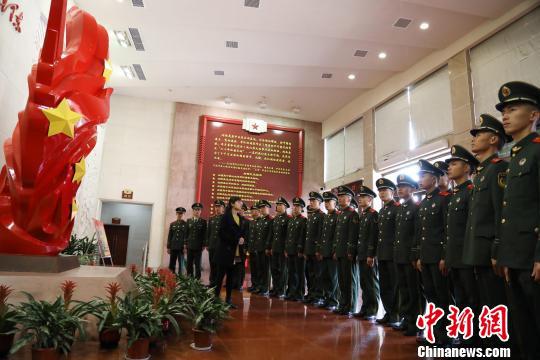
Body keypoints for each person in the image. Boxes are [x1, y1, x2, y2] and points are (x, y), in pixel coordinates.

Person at [495, 81, 540, 360]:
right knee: (523, 329)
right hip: (515, 257)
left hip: (533, 258)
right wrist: (505, 256)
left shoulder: (536, 151)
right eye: (503, 111)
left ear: (534, 114)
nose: (505, 116)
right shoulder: (516, 156)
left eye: (513, 109)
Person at [463, 113, 510, 348]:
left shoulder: (498, 169)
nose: (474, 138)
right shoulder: (481, 174)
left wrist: (497, 249)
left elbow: (501, 214)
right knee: (484, 303)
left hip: (490, 251)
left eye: (479, 134)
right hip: (477, 251)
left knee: (497, 305)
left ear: (493, 139)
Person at [444, 145, 480, 346]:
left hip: (467, 258)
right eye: (449, 164)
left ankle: (474, 342)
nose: (449, 167)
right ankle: (466, 339)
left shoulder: (470, 192)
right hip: (455, 258)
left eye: (454, 163)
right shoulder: (454, 195)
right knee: (461, 301)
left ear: (467, 168)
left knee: (473, 301)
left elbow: (471, 228)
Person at [415, 159, 451, 345]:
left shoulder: (444, 199)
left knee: (443, 296)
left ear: (435, 178)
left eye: (424, 176)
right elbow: (422, 233)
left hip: (438, 258)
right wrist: (420, 256)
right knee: (431, 296)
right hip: (427, 257)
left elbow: (447, 230)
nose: (420, 179)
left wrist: (444, 256)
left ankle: (447, 334)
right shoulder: (424, 203)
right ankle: (435, 333)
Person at [393, 175, 422, 336]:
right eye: (399, 187)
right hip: (399, 255)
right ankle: (406, 319)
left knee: (414, 291)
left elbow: (417, 233)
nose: (400, 189)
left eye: (404, 186)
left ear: (412, 189)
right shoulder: (402, 208)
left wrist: (414, 255)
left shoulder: (416, 207)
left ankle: (416, 322)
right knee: (403, 289)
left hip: (410, 257)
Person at [374, 178, 400, 327]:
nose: (382, 193)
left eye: (385, 190)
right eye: (380, 191)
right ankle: (388, 312)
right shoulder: (382, 211)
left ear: (392, 192)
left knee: (395, 286)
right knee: (385, 286)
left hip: (392, 254)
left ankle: (396, 314)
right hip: (382, 253)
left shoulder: (397, 209)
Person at [214, 196, 246, 308]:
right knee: (220, 277)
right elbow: (222, 234)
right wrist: (236, 239)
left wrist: (242, 238)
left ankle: (228, 300)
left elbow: (242, 233)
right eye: (238, 202)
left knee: (231, 277)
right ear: (232, 204)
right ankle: (215, 299)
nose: (241, 203)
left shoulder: (240, 218)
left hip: (236, 253)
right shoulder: (226, 217)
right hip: (225, 251)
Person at [354, 185, 380, 321]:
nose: (360, 199)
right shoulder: (363, 215)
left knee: (371, 283)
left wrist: (371, 255)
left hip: (369, 255)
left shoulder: (373, 214)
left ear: (370, 199)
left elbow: (373, 236)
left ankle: (373, 309)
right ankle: (365, 308)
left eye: (363, 197)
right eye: (360, 197)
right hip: (362, 253)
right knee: (364, 283)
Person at [333, 186, 360, 317]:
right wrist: (335, 250)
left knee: (350, 281)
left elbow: (353, 235)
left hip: (348, 253)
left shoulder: (353, 214)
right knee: (342, 280)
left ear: (349, 199)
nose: (340, 199)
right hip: (340, 252)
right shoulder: (341, 214)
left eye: (343, 197)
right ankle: (342, 304)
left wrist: (351, 251)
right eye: (339, 197)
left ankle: (351, 306)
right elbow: (337, 235)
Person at [316, 191, 340, 310]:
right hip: (324, 252)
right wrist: (319, 250)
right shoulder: (326, 217)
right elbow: (322, 236)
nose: (326, 204)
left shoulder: (338, 216)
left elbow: (337, 236)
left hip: (332, 253)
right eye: (325, 202)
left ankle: (334, 301)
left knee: (333, 278)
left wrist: (335, 250)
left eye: (328, 202)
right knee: (324, 276)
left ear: (335, 203)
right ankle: (327, 298)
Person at [304, 191, 325, 305]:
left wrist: (318, 250)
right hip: (310, 250)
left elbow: (321, 234)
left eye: (313, 201)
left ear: (319, 202)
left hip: (317, 251)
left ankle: (319, 296)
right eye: (310, 201)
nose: (311, 203)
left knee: (318, 274)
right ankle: (312, 294)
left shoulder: (322, 216)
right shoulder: (312, 216)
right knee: (310, 273)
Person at [285, 197, 307, 301]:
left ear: (302, 208)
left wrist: (300, 250)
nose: (295, 208)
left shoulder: (303, 220)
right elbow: (288, 236)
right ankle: (291, 292)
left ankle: (299, 293)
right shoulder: (292, 220)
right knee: (291, 272)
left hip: (298, 252)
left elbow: (302, 237)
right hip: (290, 250)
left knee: (299, 273)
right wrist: (286, 249)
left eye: (297, 206)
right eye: (294, 206)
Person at [268, 197, 290, 298]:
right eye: (277, 204)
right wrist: (271, 247)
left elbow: (288, 236)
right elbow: (273, 235)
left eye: (280, 205)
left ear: (285, 206)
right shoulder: (276, 219)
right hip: (275, 248)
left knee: (282, 270)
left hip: (282, 249)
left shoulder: (288, 219)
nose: (278, 206)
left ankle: (282, 290)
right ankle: (276, 288)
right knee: (274, 269)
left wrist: (286, 248)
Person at [254, 200, 273, 296]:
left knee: (266, 269)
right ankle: (260, 286)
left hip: (265, 249)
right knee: (260, 268)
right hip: (259, 248)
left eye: (263, 207)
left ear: (268, 208)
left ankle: (265, 288)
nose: (261, 209)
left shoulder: (270, 220)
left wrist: (268, 247)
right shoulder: (260, 220)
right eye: (260, 208)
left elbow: (270, 235)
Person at [206, 200, 225, 288]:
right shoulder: (211, 219)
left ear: (223, 208)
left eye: (219, 207)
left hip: (221, 246)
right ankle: (212, 282)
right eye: (216, 207)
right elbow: (208, 232)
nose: (217, 209)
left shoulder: (225, 219)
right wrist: (207, 244)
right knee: (212, 264)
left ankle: (218, 283)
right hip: (212, 245)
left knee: (219, 265)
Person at [186, 203, 207, 280]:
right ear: (193, 211)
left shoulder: (203, 222)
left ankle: (197, 279)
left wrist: (204, 244)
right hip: (190, 245)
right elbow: (186, 233)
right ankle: (189, 278)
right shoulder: (188, 221)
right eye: (195, 210)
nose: (197, 211)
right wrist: (185, 244)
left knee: (197, 264)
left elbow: (205, 234)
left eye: (199, 210)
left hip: (198, 246)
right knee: (189, 263)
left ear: (201, 211)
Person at [167, 207, 187, 274]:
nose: (180, 215)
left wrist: (185, 246)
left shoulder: (186, 224)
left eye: (181, 213)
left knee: (181, 264)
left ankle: (180, 278)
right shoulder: (172, 224)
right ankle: (171, 276)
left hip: (181, 247)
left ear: (183, 214)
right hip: (173, 247)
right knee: (172, 263)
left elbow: (186, 236)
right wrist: (168, 247)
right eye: (178, 213)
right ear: (176, 213)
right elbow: (170, 236)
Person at [247, 204, 261, 292]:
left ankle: (259, 286)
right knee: (253, 268)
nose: (253, 212)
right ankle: (254, 284)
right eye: (252, 211)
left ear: (259, 211)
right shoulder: (251, 222)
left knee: (259, 268)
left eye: (255, 210)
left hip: (258, 249)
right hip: (251, 249)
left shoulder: (261, 221)